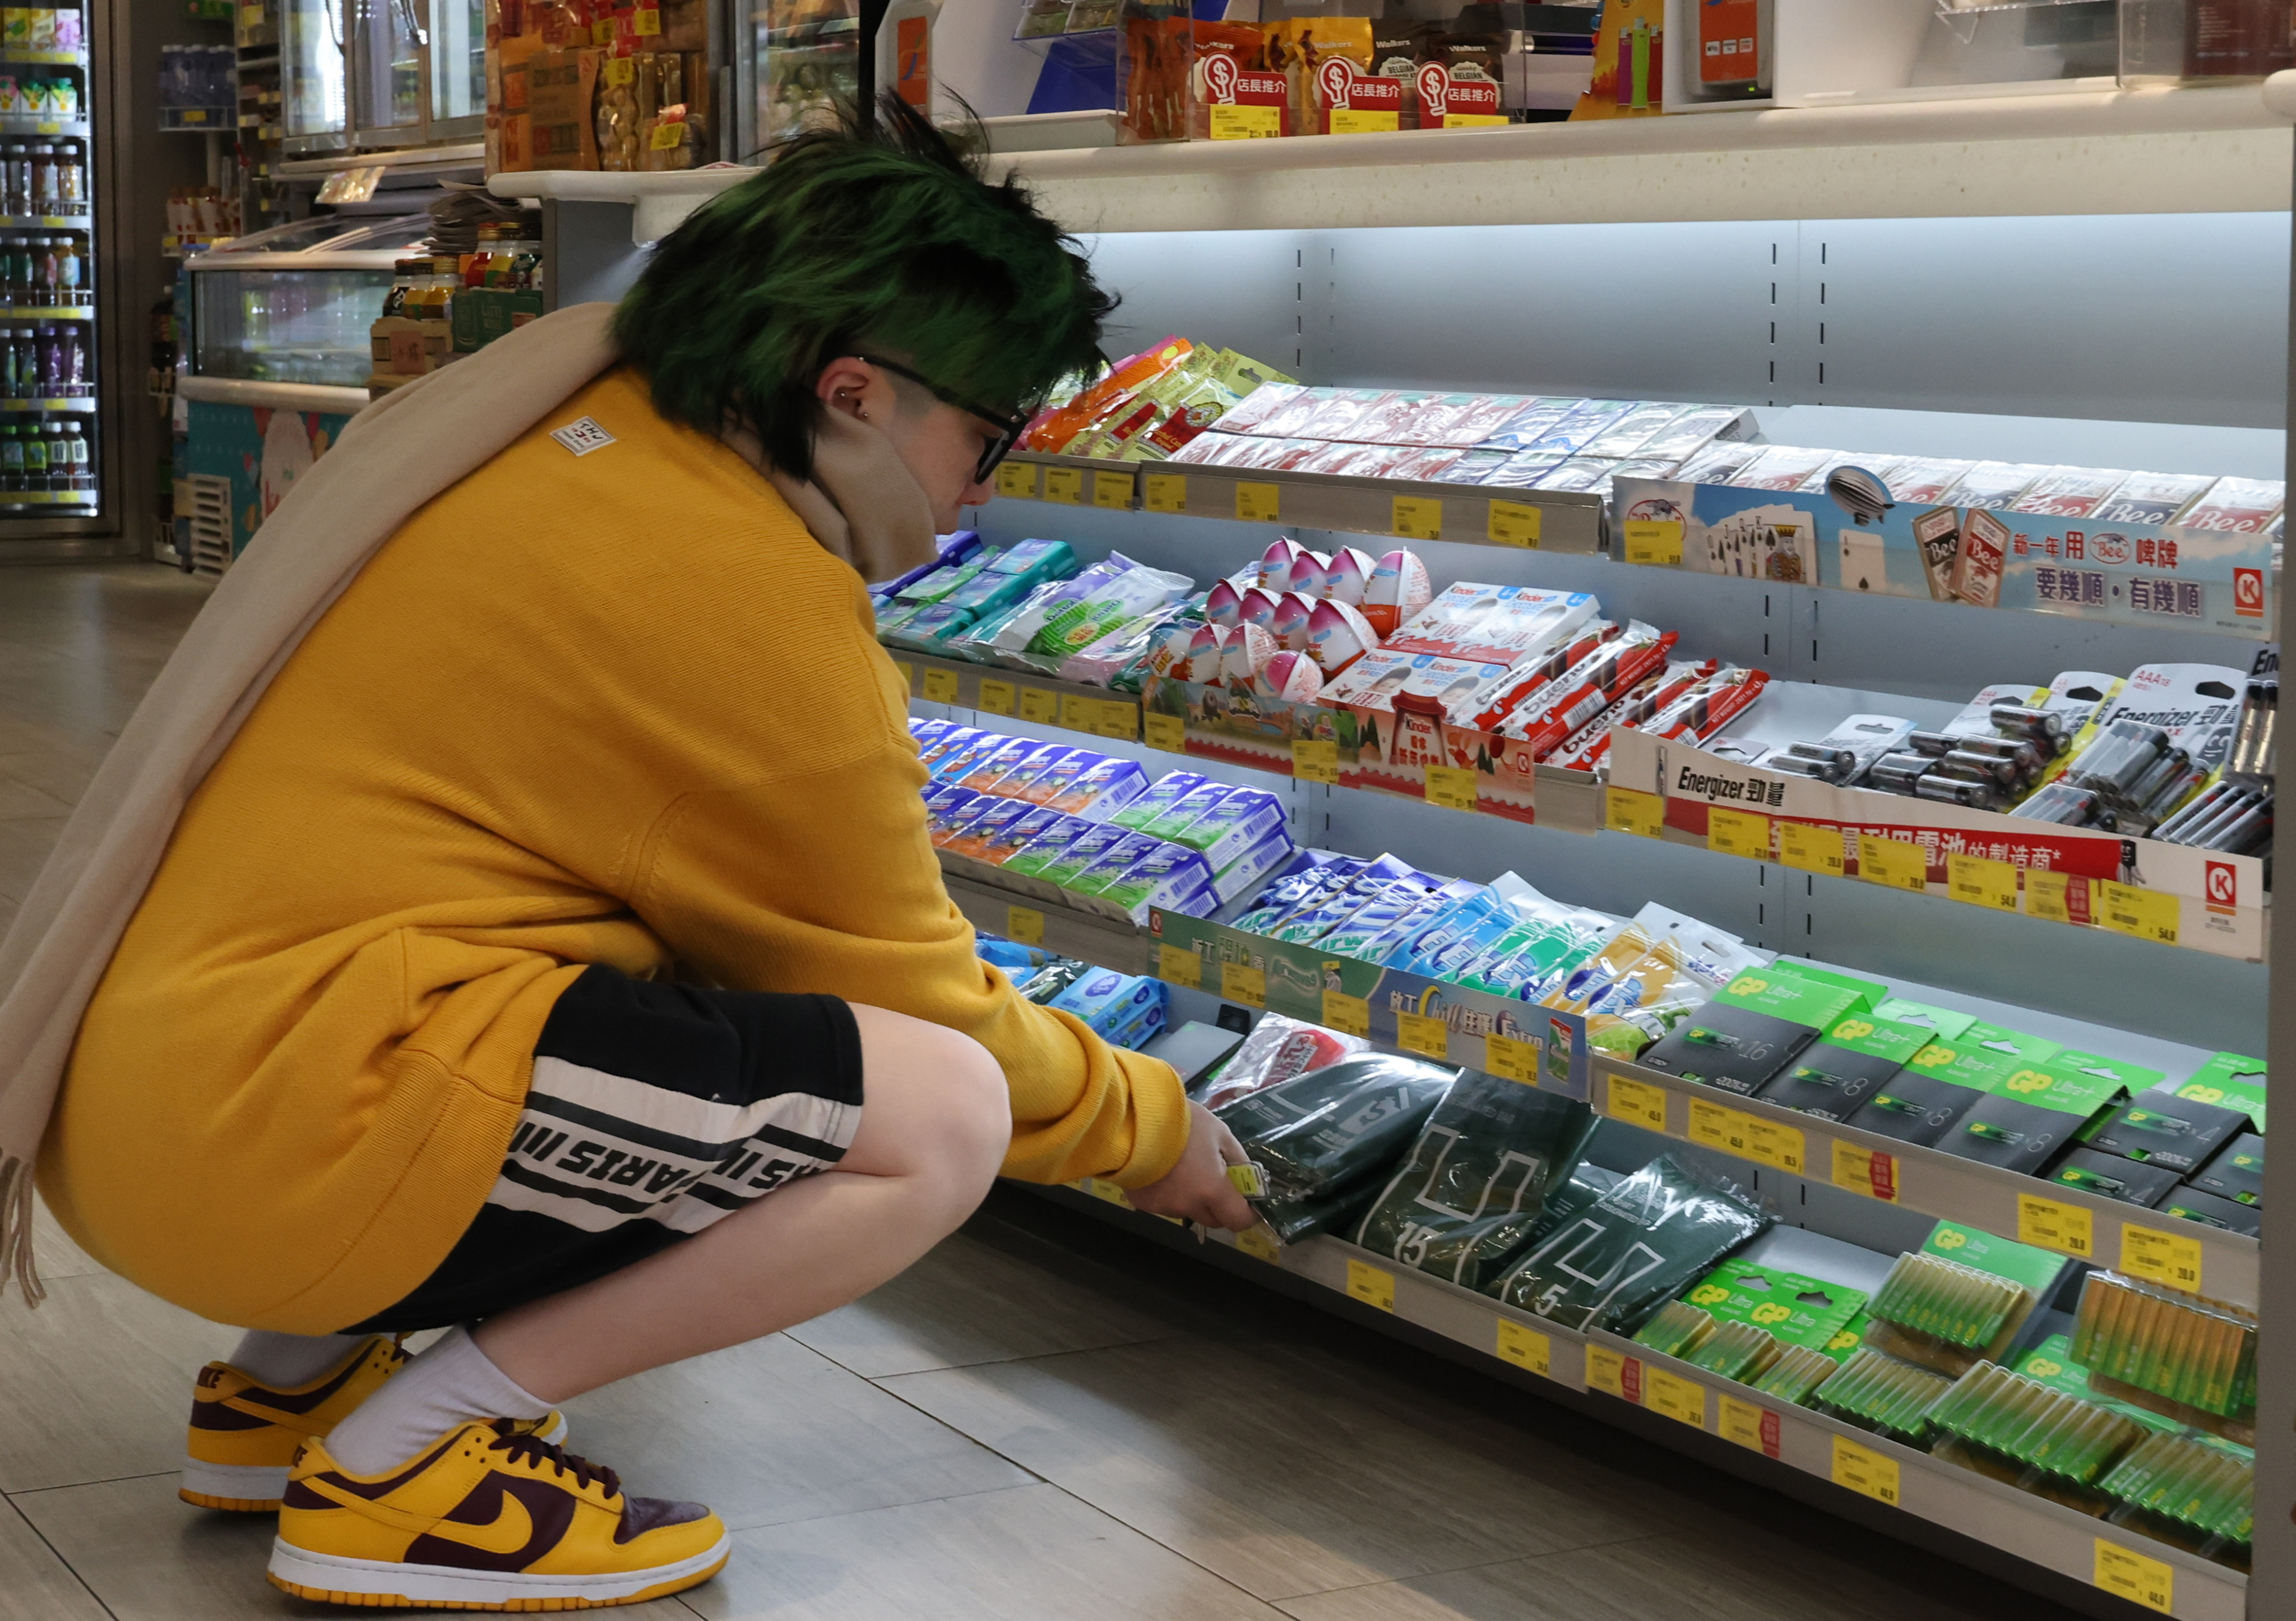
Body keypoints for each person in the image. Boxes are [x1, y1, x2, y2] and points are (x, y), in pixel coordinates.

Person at [29, 100, 1256, 1611]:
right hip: (284, 1131)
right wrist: (1156, 1125)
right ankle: (409, 1460)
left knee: (669, 982)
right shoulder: (743, 596)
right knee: (934, 1115)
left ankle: (285, 1393)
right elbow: (926, 1020)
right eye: (986, 435)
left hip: (158, 1094)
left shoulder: (558, 427)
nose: (987, 484)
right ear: (855, 392)